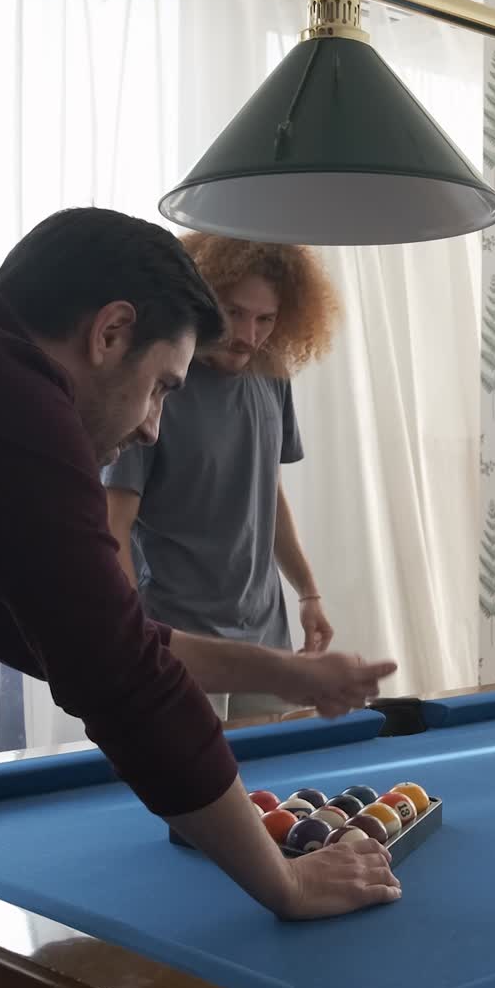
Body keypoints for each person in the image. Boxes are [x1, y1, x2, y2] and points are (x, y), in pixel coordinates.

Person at [0, 207, 400, 919]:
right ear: (111, 332)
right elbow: (117, 674)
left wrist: (287, 673)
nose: (152, 425)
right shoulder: (4, 390)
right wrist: (287, 881)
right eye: (161, 387)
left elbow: (77, 632)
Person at [106, 234, 340, 721]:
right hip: (178, 641)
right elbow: (115, 525)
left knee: (271, 771)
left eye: (265, 319)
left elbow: (265, 494)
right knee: (190, 770)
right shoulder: (159, 382)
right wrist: (132, 641)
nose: (248, 335)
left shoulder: (273, 376)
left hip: (265, 637)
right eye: (234, 312)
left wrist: (308, 592)